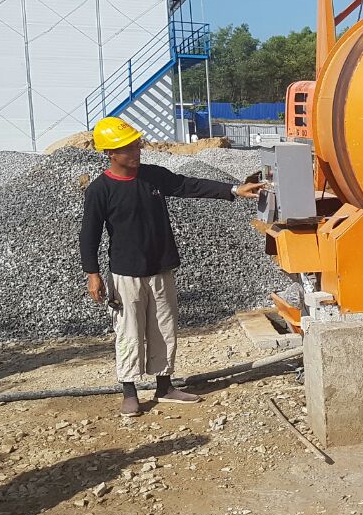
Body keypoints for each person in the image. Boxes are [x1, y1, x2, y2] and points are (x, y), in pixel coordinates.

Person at [79, 117, 264, 417]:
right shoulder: (101, 189)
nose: (136, 151)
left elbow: (187, 185)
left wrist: (233, 189)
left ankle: (164, 386)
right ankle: (129, 391)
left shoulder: (152, 177)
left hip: (161, 268)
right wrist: (93, 275)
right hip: (126, 273)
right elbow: (89, 234)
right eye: (127, 148)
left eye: (136, 145)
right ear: (110, 153)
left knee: (164, 328)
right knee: (128, 331)